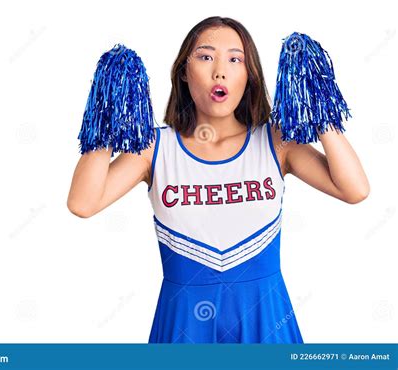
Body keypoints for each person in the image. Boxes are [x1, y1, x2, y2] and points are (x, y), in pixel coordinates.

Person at [67, 16, 370, 343]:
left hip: (266, 322)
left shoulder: (276, 142)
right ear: (184, 71)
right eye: (206, 56)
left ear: (249, 75)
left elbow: (354, 189)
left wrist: (317, 103)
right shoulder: (155, 148)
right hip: (184, 324)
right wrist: (108, 112)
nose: (219, 71)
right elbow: (83, 203)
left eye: (234, 59)